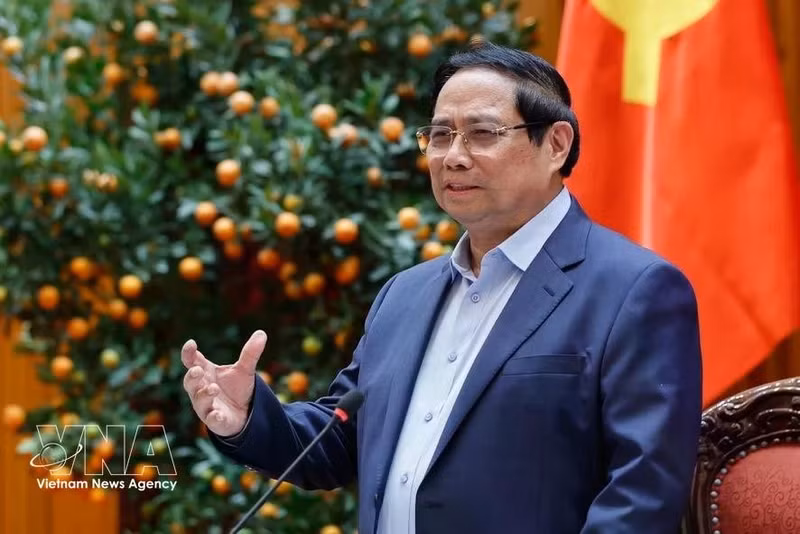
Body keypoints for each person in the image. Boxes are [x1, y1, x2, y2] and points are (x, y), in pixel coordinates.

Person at [182, 42, 702, 534]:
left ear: (555, 144)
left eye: (482, 133)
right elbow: (340, 436)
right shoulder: (404, 295)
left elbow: (642, 494)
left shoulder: (635, 290)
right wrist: (248, 417)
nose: (453, 156)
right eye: (439, 135)